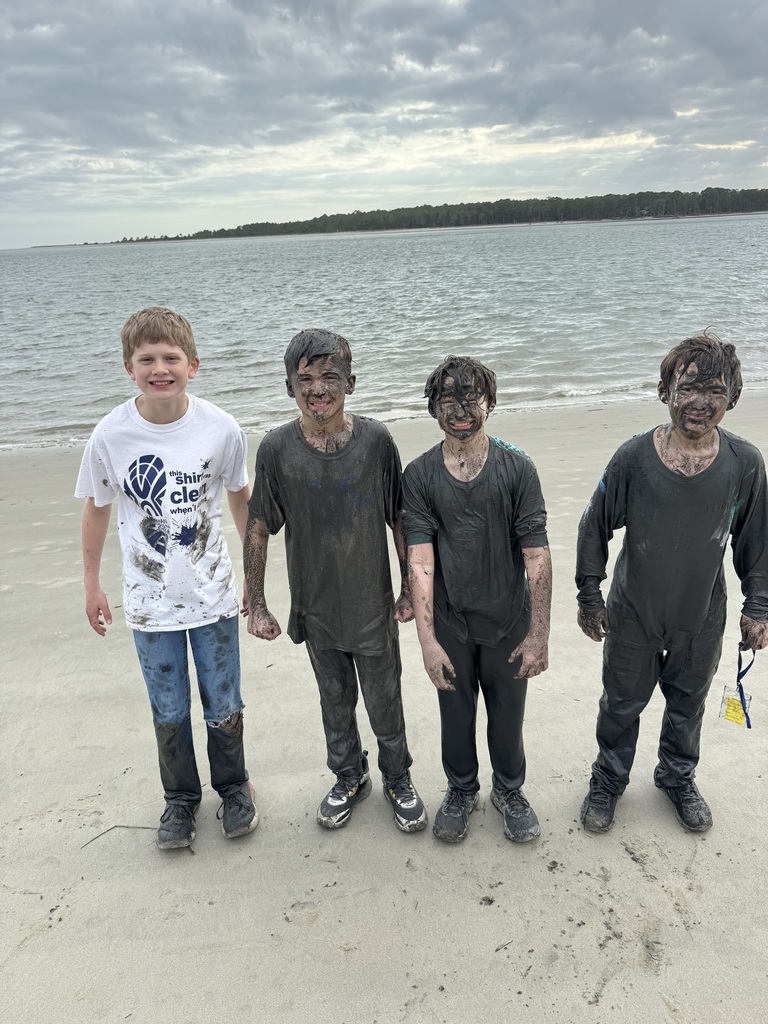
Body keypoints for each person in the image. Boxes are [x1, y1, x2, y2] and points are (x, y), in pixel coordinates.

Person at [76, 307, 257, 850]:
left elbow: (241, 501)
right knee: (169, 708)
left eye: (171, 358)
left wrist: (256, 577)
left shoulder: (221, 428)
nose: (160, 368)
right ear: (129, 368)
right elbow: (96, 510)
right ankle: (180, 800)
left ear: (193, 365)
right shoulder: (110, 436)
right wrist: (91, 585)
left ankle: (233, 789)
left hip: (215, 595)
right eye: (146, 359)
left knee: (223, 701)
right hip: (149, 603)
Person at [576, 332, 768, 834]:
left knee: (689, 703)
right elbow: (593, 526)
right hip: (634, 612)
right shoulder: (634, 459)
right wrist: (589, 596)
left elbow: (757, 543)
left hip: (701, 614)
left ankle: (677, 776)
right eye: (687, 388)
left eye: (714, 391)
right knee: (620, 703)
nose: (699, 403)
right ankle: (609, 778)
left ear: (732, 397)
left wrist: (760, 606)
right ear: (665, 392)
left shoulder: (745, 465)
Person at [244, 328, 427, 833]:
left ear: (351, 381)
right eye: (305, 379)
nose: (318, 388)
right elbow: (258, 526)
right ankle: (349, 775)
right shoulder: (277, 449)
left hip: (371, 604)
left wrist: (410, 590)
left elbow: (401, 518)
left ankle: (397, 777)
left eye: (329, 376)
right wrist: (255, 603)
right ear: (288, 387)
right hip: (315, 606)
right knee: (334, 699)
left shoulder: (375, 442)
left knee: (385, 698)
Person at [403, 356, 552, 844]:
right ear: (433, 406)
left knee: (507, 714)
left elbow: (536, 555)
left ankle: (509, 791)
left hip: (508, 618)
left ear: (491, 401)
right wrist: (427, 641)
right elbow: (421, 562)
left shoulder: (518, 467)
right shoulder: (420, 475)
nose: (461, 409)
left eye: (472, 397)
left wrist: (538, 635)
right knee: (456, 712)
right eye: (449, 399)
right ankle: (461, 789)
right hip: (450, 620)